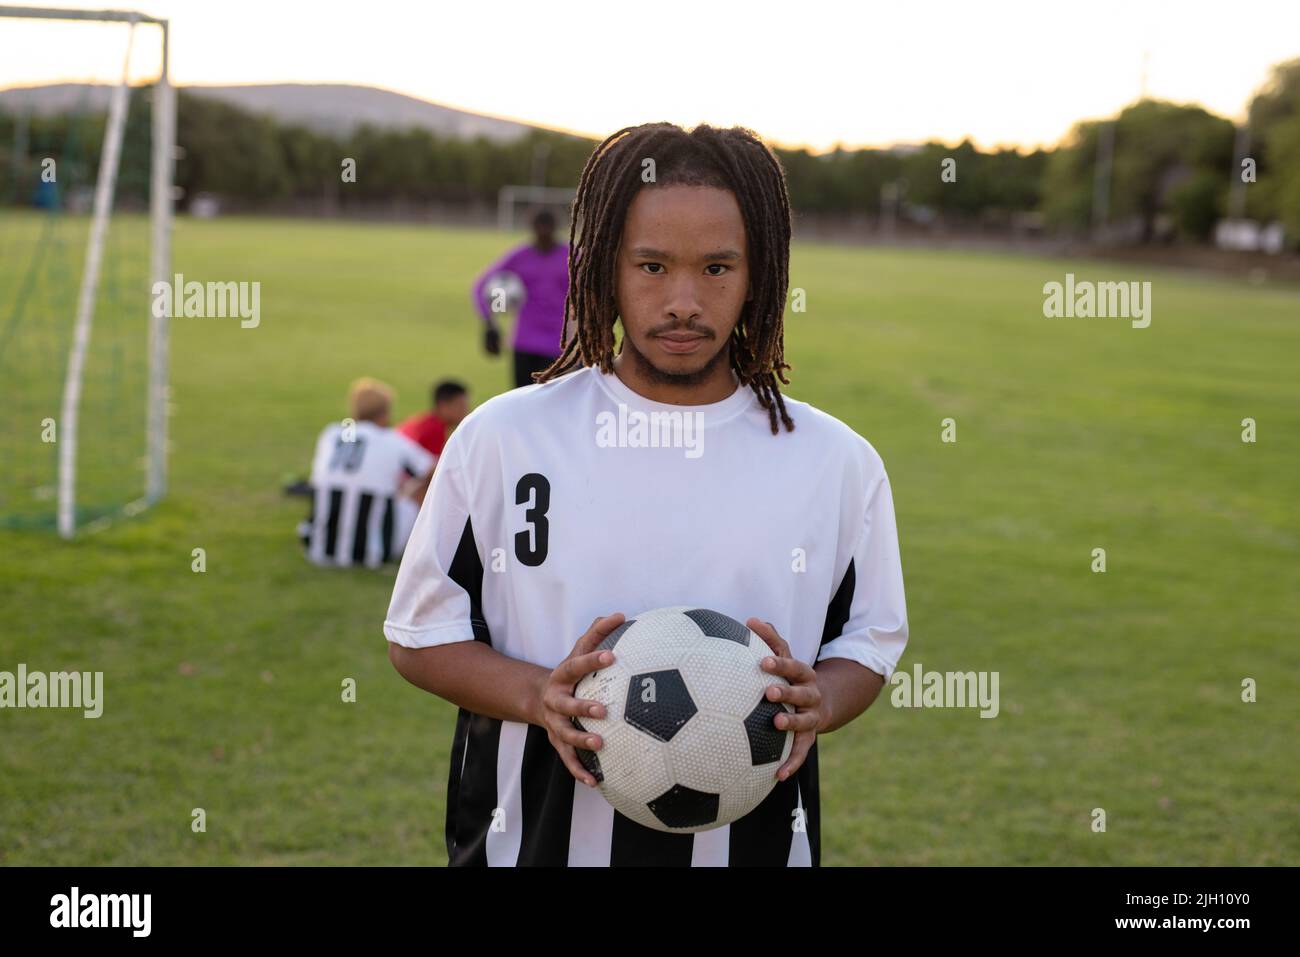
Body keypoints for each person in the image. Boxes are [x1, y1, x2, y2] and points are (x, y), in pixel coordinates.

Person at [385, 123, 908, 866]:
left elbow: (868, 642)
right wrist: (540, 695)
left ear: (761, 271)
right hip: (531, 845)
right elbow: (419, 634)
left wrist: (825, 697)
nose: (684, 301)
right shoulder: (505, 437)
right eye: (653, 265)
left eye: (718, 267)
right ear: (605, 266)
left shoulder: (835, 462)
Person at [300, 378, 435, 568]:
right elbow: (433, 470)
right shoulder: (392, 440)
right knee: (423, 487)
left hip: (319, 549)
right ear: (385, 412)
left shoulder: (330, 433)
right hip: (374, 552)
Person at [471, 209, 570, 388]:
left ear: (556, 229)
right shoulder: (519, 256)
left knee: (554, 406)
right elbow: (482, 286)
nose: (543, 235)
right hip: (525, 342)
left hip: (559, 345)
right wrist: (490, 322)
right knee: (521, 402)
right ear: (532, 229)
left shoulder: (572, 256)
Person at [396, 379, 470, 458]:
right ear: (443, 405)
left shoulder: (424, 420)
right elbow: (436, 467)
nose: (466, 410)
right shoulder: (435, 430)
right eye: (460, 406)